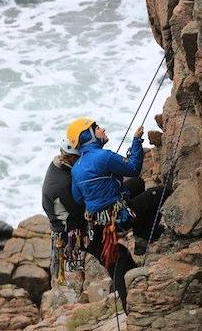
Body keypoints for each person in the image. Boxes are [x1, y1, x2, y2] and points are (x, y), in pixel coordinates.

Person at [66, 117, 166, 310]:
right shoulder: (103, 157)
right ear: (87, 136)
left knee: (118, 262)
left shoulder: (76, 168)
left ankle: (129, 308)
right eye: (97, 128)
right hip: (119, 217)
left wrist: (103, 190)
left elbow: (78, 198)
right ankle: (146, 233)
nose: (102, 129)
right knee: (161, 193)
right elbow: (133, 168)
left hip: (99, 224)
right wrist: (136, 140)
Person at [41, 140, 87, 285]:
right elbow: (78, 211)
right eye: (79, 157)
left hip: (57, 226)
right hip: (67, 230)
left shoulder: (56, 166)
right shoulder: (63, 183)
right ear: (72, 158)